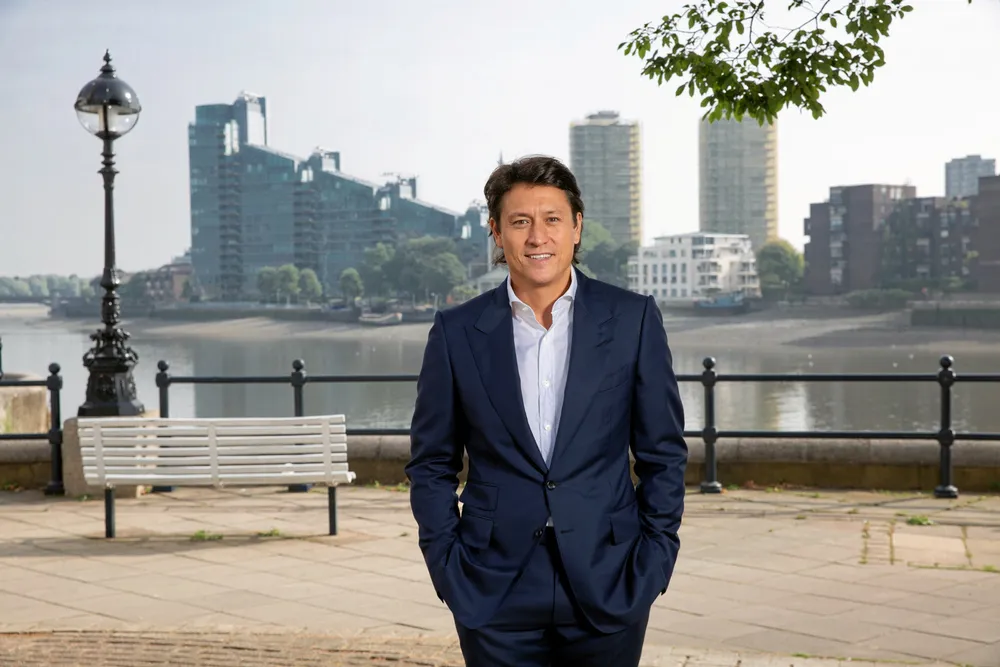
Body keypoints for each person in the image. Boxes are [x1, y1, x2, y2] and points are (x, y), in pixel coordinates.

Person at [405, 155, 688, 667]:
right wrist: (447, 565)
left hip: (610, 575)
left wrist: (655, 557)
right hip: (491, 584)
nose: (538, 236)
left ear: (576, 227)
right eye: (520, 222)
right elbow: (431, 463)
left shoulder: (632, 319)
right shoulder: (456, 331)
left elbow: (663, 453)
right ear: (496, 232)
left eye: (552, 219)